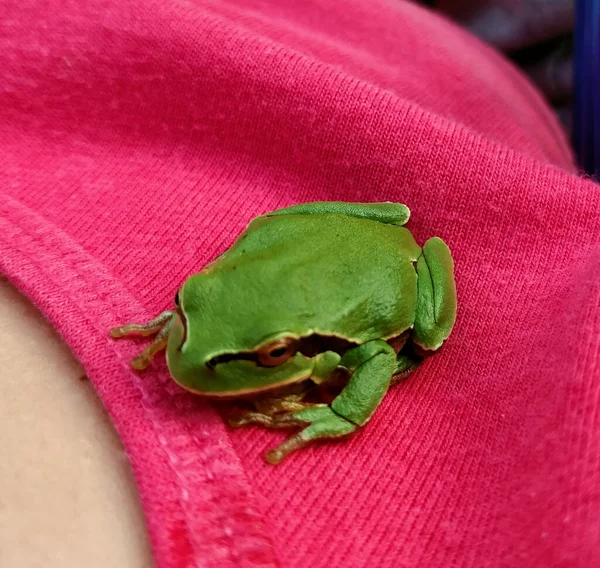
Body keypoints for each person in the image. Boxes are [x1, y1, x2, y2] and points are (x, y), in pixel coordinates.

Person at [1, 1, 597, 567]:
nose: (187, 357)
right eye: (185, 307)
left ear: (292, 349)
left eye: (273, 354)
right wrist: (182, 318)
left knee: (426, 337)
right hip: (430, 111)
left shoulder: (332, 349)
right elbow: (225, 283)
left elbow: (375, 360)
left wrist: (341, 413)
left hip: (396, 275)